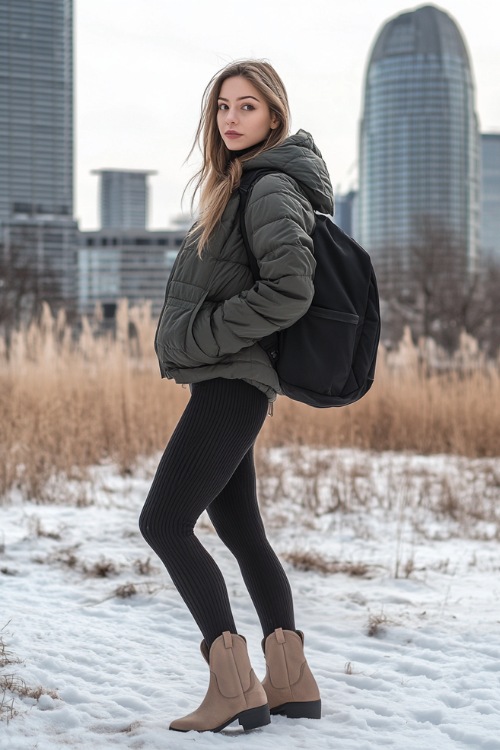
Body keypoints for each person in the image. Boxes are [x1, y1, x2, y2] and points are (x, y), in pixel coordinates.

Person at [139, 59, 333, 733]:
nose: (231, 118)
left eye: (247, 106)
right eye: (223, 105)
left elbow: (290, 290)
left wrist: (210, 335)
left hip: (233, 382)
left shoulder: (269, 188)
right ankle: (290, 681)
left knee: (162, 523)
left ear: (273, 115)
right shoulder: (241, 183)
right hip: (232, 381)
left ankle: (234, 689)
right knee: (240, 529)